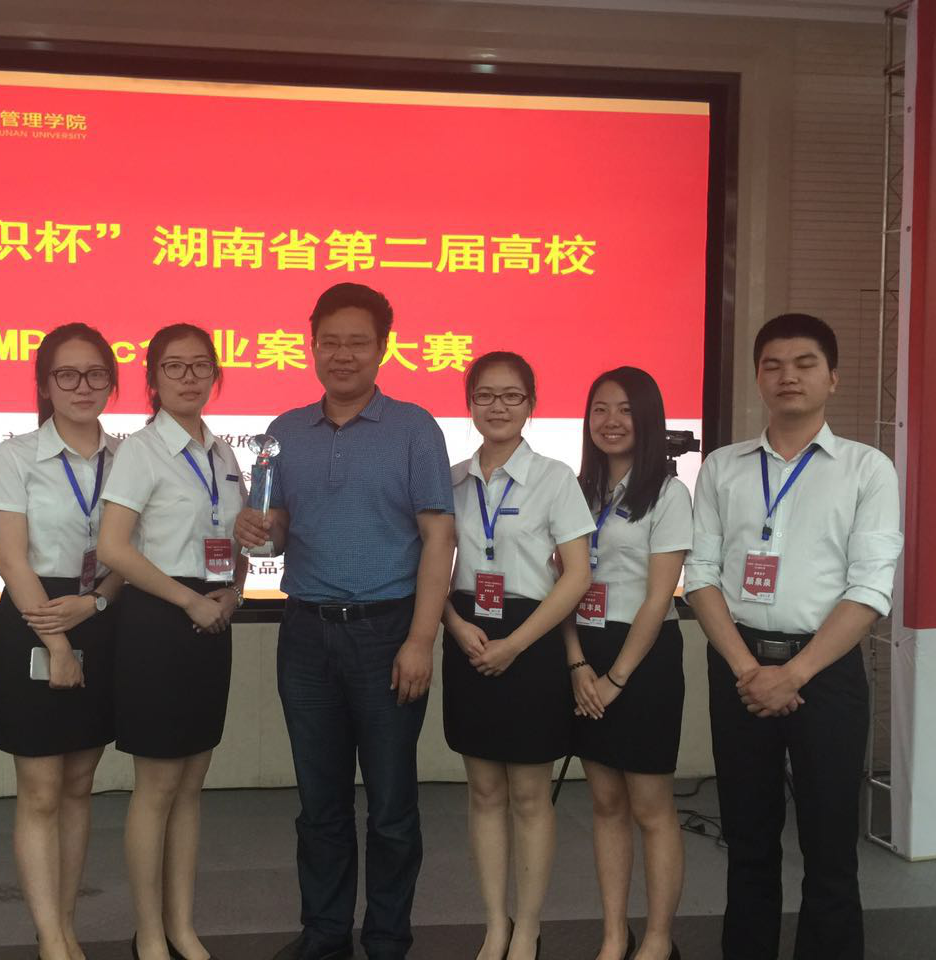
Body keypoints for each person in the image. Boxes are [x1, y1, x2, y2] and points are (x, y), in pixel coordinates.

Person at [235, 283, 455, 960]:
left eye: (358, 342)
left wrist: (421, 639)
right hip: (305, 633)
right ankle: (326, 932)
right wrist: (257, 531)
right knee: (319, 803)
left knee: (390, 805)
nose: (342, 354)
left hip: (389, 632)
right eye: (329, 341)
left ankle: (387, 939)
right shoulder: (283, 432)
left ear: (383, 348)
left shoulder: (414, 428)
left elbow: (438, 537)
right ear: (311, 346)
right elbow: (276, 530)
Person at [684, 313, 903, 960]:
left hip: (825, 675)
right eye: (773, 365)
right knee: (748, 842)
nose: (788, 376)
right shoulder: (722, 467)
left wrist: (794, 674)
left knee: (830, 848)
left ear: (832, 378)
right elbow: (700, 576)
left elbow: (870, 589)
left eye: (805, 363)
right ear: (758, 378)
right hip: (740, 668)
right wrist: (748, 670)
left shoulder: (867, 469)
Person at [96, 322, 248, 960]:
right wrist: (188, 600)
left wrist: (234, 592)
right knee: (156, 786)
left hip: (213, 620)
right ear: (153, 379)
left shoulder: (225, 455)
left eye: (200, 365)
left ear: (216, 374)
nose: (189, 377)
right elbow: (113, 548)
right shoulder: (140, 451)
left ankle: (182, 926)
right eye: (174, 367)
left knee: (191, 785)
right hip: (159, 623)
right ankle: (150, 933)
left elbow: (237, 543)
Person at [441, 351, 594, 960]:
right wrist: (454, 625)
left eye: (511, 396)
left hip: (530, 641)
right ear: (469, 403)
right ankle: (494, 925)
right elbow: (430, 566)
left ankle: (528, 927)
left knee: (529, 795)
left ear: (532, 404)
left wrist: (517, 644)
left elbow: (576, 576)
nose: (497, 407)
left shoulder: (555, 478)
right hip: (468, 634)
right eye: (485, 395)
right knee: (483, 791)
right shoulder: (451, 480)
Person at [0, 322, 126, 960]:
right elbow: (12, 561)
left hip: (101, 611)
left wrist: (96, 604)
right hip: (33, 615)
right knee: (41, 788)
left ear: (112, 382)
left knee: (79, 784)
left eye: (96, 373)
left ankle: (67, 926)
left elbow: (130, 554)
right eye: (66, 374)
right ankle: (50, 939)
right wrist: (60, 644)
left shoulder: (128, 458)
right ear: (45, 384)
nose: (82, 386)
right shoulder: (16, 456)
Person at [566, 367, 692, 960]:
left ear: (647, 419)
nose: (610, 421)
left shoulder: (668, 494)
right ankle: (615, 935)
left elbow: (658, 597)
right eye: (599, 409)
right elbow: (563, 585)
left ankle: (659, 939)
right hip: (585, 654)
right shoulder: (577, 491)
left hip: (644, 658)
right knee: (605, 804)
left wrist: (616, 679)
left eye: (624, 409)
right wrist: (577, 665)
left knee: (650, 806)